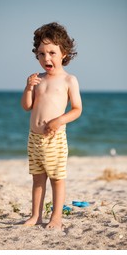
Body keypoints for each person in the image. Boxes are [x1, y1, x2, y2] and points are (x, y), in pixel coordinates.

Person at [21, 22, 82, 230]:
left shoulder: (68, 80)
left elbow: (77, 109)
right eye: (41, 54)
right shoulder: (37, 79)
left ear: (64, 53)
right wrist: (28, 87)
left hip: (54, 139)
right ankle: (36, 216)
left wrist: (58, 120)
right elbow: (27, 107)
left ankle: (56, 217)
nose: (46, 58)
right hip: (34, 138)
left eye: (52, 53)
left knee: (56, 178)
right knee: (37, 179)